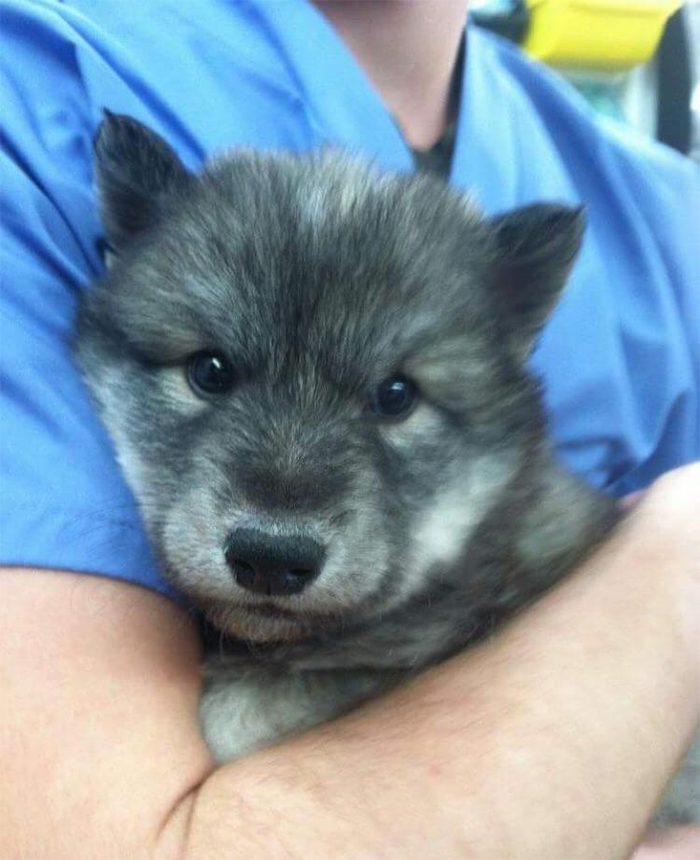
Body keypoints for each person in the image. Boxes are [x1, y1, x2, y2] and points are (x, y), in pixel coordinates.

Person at [1, 1, 698, 857]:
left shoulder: (668, 217)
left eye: (394, 399)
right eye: (211, 375)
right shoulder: (42, 79)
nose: (282, 507)